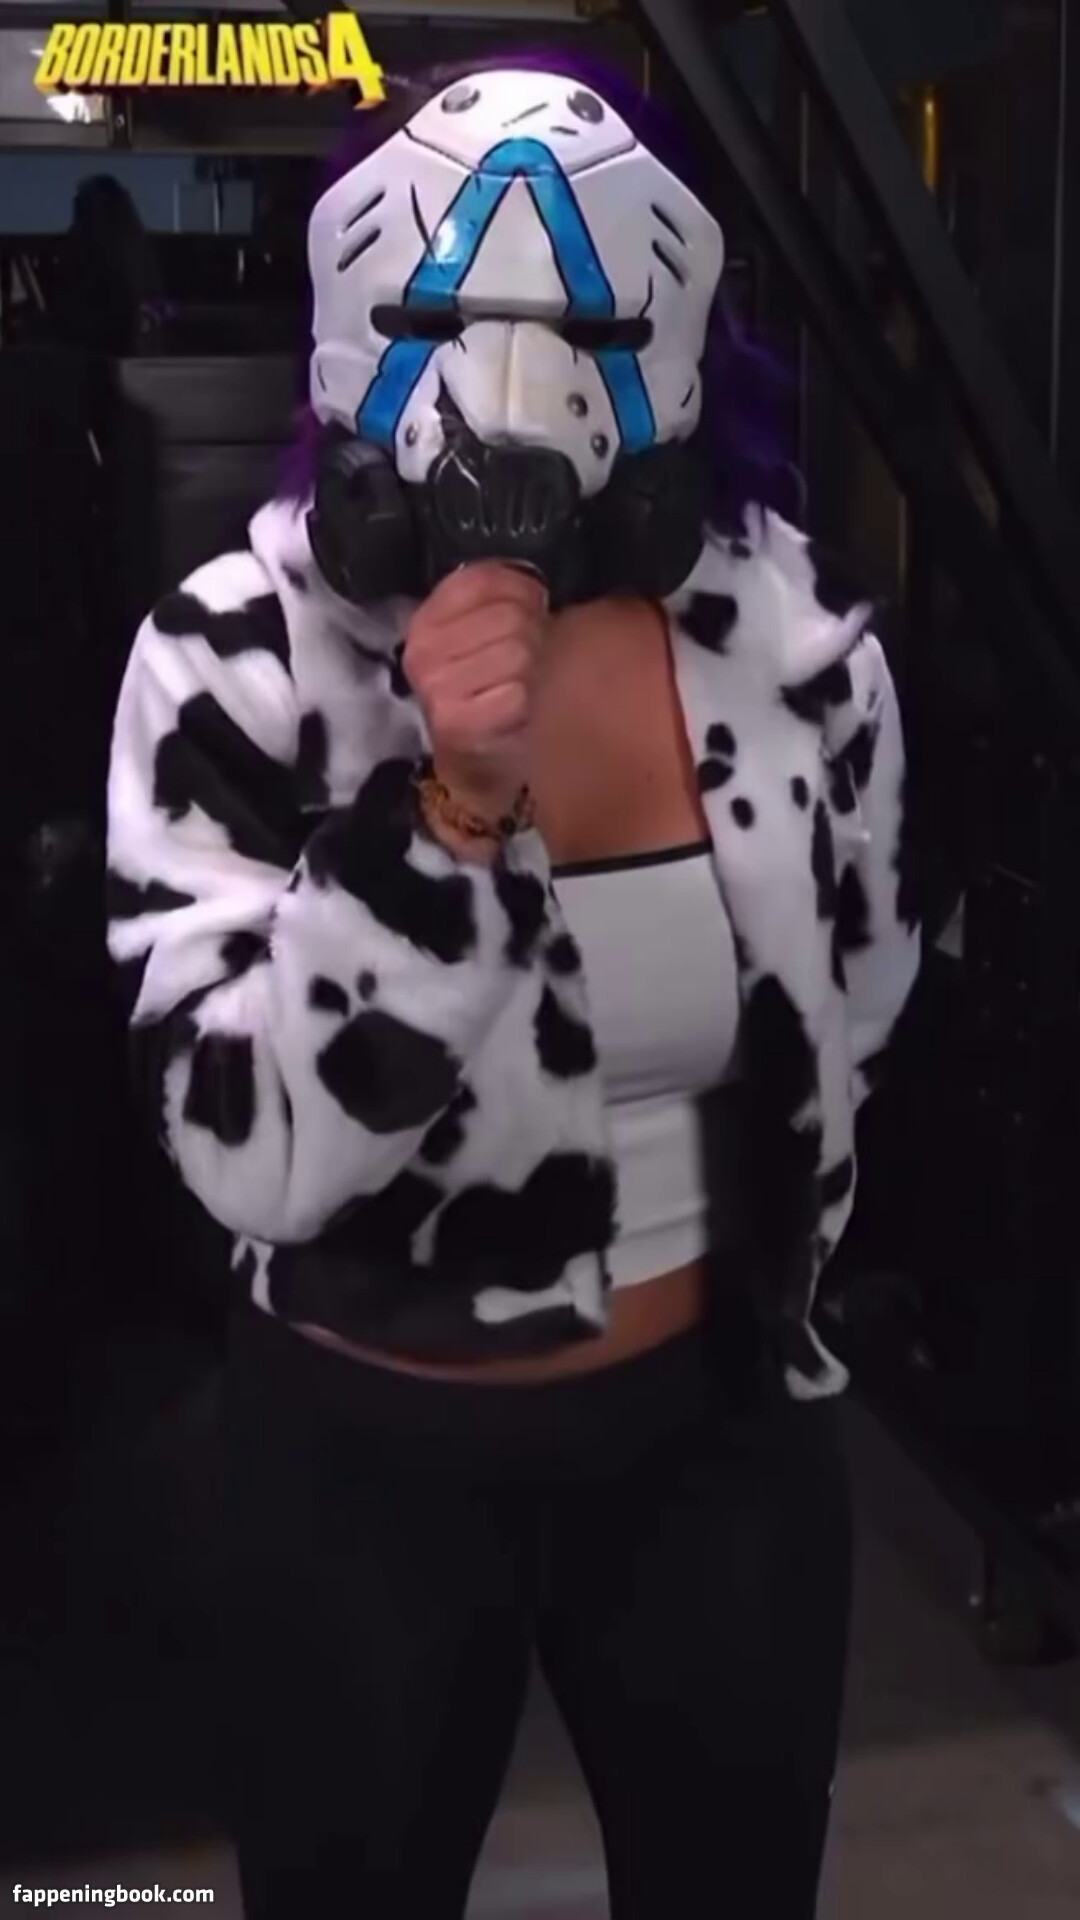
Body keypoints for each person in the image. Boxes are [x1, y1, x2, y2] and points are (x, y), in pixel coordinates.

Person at [105, 50, 921, 1920]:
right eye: (443, 322)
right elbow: (247, 1156)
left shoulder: (795, 648)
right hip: (358, 1471)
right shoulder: (233, 661)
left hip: (710, 1448)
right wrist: (447, 815)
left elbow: (859, 1006)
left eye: (585, 328)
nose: (515, 394)